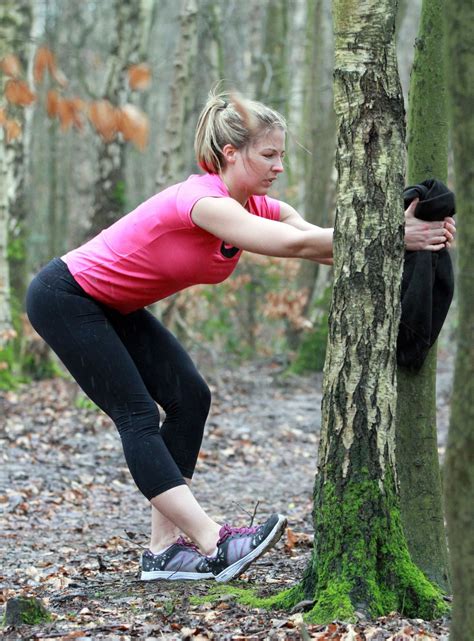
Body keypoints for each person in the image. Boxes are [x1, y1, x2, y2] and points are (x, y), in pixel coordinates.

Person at [26, 90, 455, 583]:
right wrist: (388, 235)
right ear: (231, 153)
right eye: (268, 155)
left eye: (282, 156)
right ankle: (214, 540)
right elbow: (291, 245)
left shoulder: (257, 205)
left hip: (112, 304)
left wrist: (405, 237)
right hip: (66, 297)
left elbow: (318, 241)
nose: (279, 166)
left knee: (190, 397)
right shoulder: (203, 201)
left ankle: (163, 553)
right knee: (137, 412)